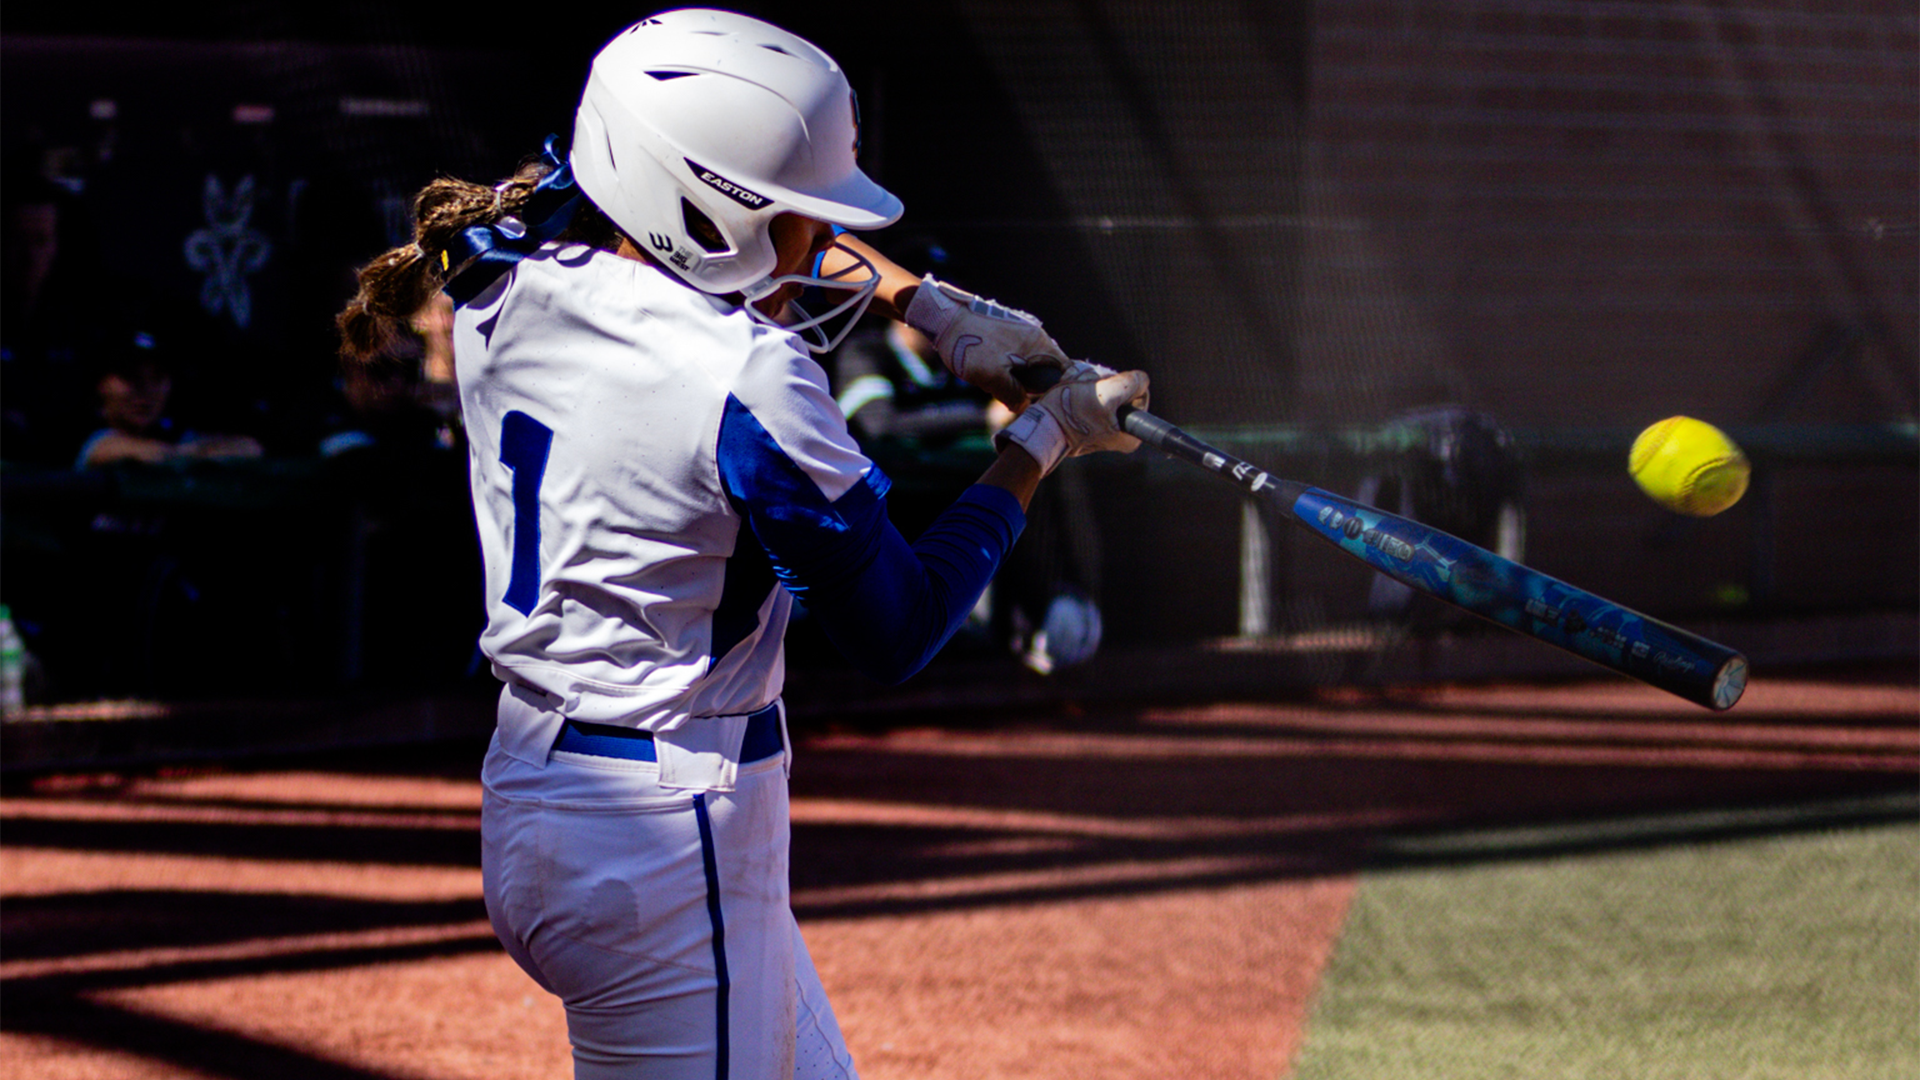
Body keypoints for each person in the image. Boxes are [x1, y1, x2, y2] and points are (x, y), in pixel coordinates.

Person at [335, 10, 1148, 1080]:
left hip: (553, 792)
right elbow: (898, 628)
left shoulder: (505, 264)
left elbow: (634, 190)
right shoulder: (747, 375)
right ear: (701, 217)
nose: (819, 254)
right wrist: (1041, 442)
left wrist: (931, 307)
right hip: (665, 835)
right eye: (795, 224)